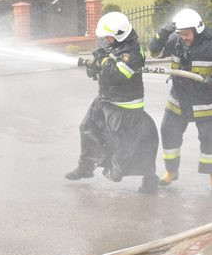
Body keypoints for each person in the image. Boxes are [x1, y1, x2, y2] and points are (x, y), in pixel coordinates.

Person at [148, 8, 212, 194]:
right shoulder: (176, 41)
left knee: (209, 140)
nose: (184, 37)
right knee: (168, 132)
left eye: (187, 34)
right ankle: (171, 172)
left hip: (203, 101)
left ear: (197, 30)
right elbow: (154, 52)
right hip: (178, 99)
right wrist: (164, 33)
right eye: (181, 34)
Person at [65, 11, 160, 194]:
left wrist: (103, 62)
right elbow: (101, 68)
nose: (105, 40)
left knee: (130, 144)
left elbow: (120, 74)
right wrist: (93, 67)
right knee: (87, 128)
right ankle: (86, 167)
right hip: (105, 99)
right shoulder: (110, 45)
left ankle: (149, 180)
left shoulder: (133, 51)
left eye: (108, 37)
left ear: (119, 35)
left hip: (124, 105)